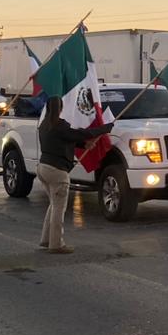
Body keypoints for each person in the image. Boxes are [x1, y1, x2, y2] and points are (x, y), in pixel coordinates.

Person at [37, 94, 114, 253]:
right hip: (57, 171)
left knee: (54, 205)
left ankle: (46, 240)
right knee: (59, 209)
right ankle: (56, 245)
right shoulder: (60, 126)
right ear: (61, 109)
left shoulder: (44, 125)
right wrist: (105, 128)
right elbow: (80, 134)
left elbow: (67, 139)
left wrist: (83, 145)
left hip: (43, 168)